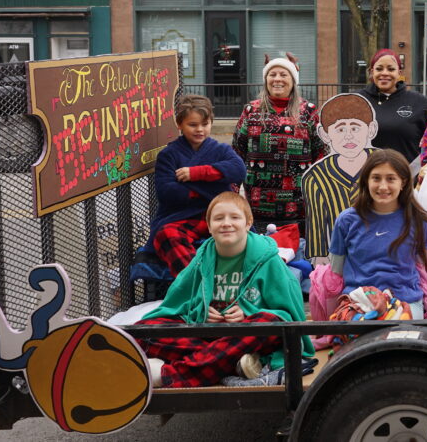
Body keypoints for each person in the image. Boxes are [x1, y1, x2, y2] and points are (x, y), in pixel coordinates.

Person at [137, 192, 313, 388]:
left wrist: (248, 312)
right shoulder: (201, 259)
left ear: (248, 223)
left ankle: (169, 375)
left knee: (268, 323)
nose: (226, 223)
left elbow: (289, 315)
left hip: (248, 336)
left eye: (235, 217)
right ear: (209, 226)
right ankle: (232, 363)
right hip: (210, 334)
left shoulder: (269, 260)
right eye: (218, 218)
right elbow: (176, 304)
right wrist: (200, 311)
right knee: (143, 331)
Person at [328, 149, 427, 318]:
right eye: (376, 178)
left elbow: (425, 268)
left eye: (391, 179)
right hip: (358, 302)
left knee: (398, 336)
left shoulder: (422, 221)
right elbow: (336, 269)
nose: (383, 186)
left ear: (404, 183)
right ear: (366, 181)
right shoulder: (346, 220)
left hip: (406, 302)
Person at [149, 94, 246, 277]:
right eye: (192, 125)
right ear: (179, 124)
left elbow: (238, 170)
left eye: (205, 124)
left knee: (245, 237)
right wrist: (214, 188)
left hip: (218, 213)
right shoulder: (169, 155)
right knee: (167, 234)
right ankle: (196, 284)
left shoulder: (221, 150)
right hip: (182, 216)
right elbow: (167, 192)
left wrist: (196, 173)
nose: (200, 129)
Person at [232, 54, 325, 232]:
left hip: (300, 208)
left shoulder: (309, 111)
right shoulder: (251, 111)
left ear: (293, 80)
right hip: (257, 208)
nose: (277, 79)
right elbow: (236, 154)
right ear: (265, 79)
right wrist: (233, 195)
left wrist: (319, 196)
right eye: (272, 74)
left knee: (296, 257)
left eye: (284, 74)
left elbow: (321, 155)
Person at [302, 93, 379, 261]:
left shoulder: (383, 165)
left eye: (355, 127)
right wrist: (319, 258)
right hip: (338, 256)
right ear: (324, 134)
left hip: (380, 250)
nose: (349, 136)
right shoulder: (316, 177)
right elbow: (317, 224)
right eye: (340, 129)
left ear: (371, 129)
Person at [359, 49, 427, 164]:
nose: (384, 73)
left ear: (399, 73)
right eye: (379, 69)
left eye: (391, 69)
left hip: (407, 178)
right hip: (364, 179)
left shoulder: (420, 103)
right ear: (372, 71)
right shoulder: (355, 101)